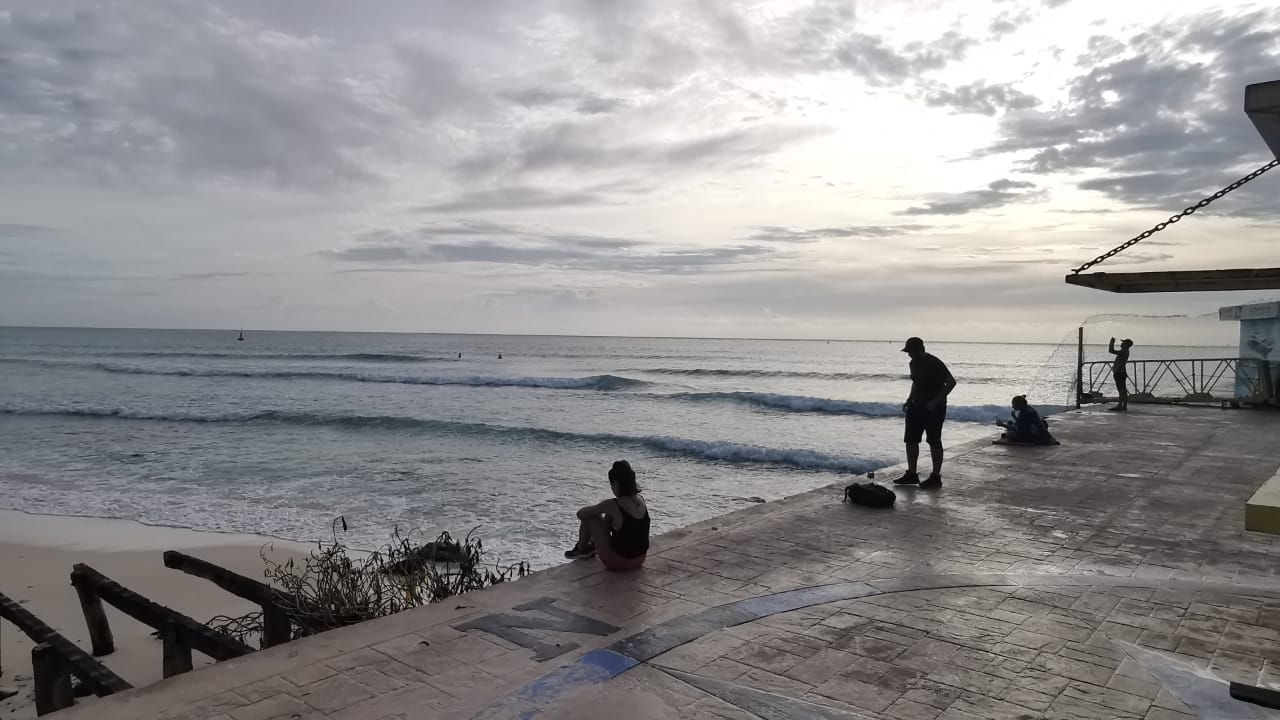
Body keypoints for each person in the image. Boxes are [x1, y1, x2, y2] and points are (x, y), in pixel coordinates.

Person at [564, 460, 650, 571]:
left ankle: (582, 548)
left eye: (611, 485)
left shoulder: (612, 504)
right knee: (608, 513)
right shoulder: (640, 499)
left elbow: (580, 514)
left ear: (616, 484)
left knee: (591, 515)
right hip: (640, 559)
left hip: (619, 562)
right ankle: (592, 545)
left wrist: (594, 509)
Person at [894, 337, 956, 489]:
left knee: (934, 440)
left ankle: (935, 476)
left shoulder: (934, 362)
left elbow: (951, 382)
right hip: (916, 406)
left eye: (911, 352)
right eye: (908, 352)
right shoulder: (913, 363)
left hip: (935, 409)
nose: (909, 355)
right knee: (910, 439)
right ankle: (912, 474)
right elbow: (916, 382)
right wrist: (909, 400)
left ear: (920, 349)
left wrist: (935, 402)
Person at [1108, 338, 1133, 411]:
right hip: (1121, 372)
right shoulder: (1124, 351)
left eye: (1123, 343)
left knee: (1121, 389)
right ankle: (1124, 405)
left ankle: (1120, 405)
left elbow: (1111, 351)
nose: (1121, 344)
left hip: (1119, 372)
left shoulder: (1124, 351)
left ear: (1126, 345)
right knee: (1123, 389)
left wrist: (1111, 343)